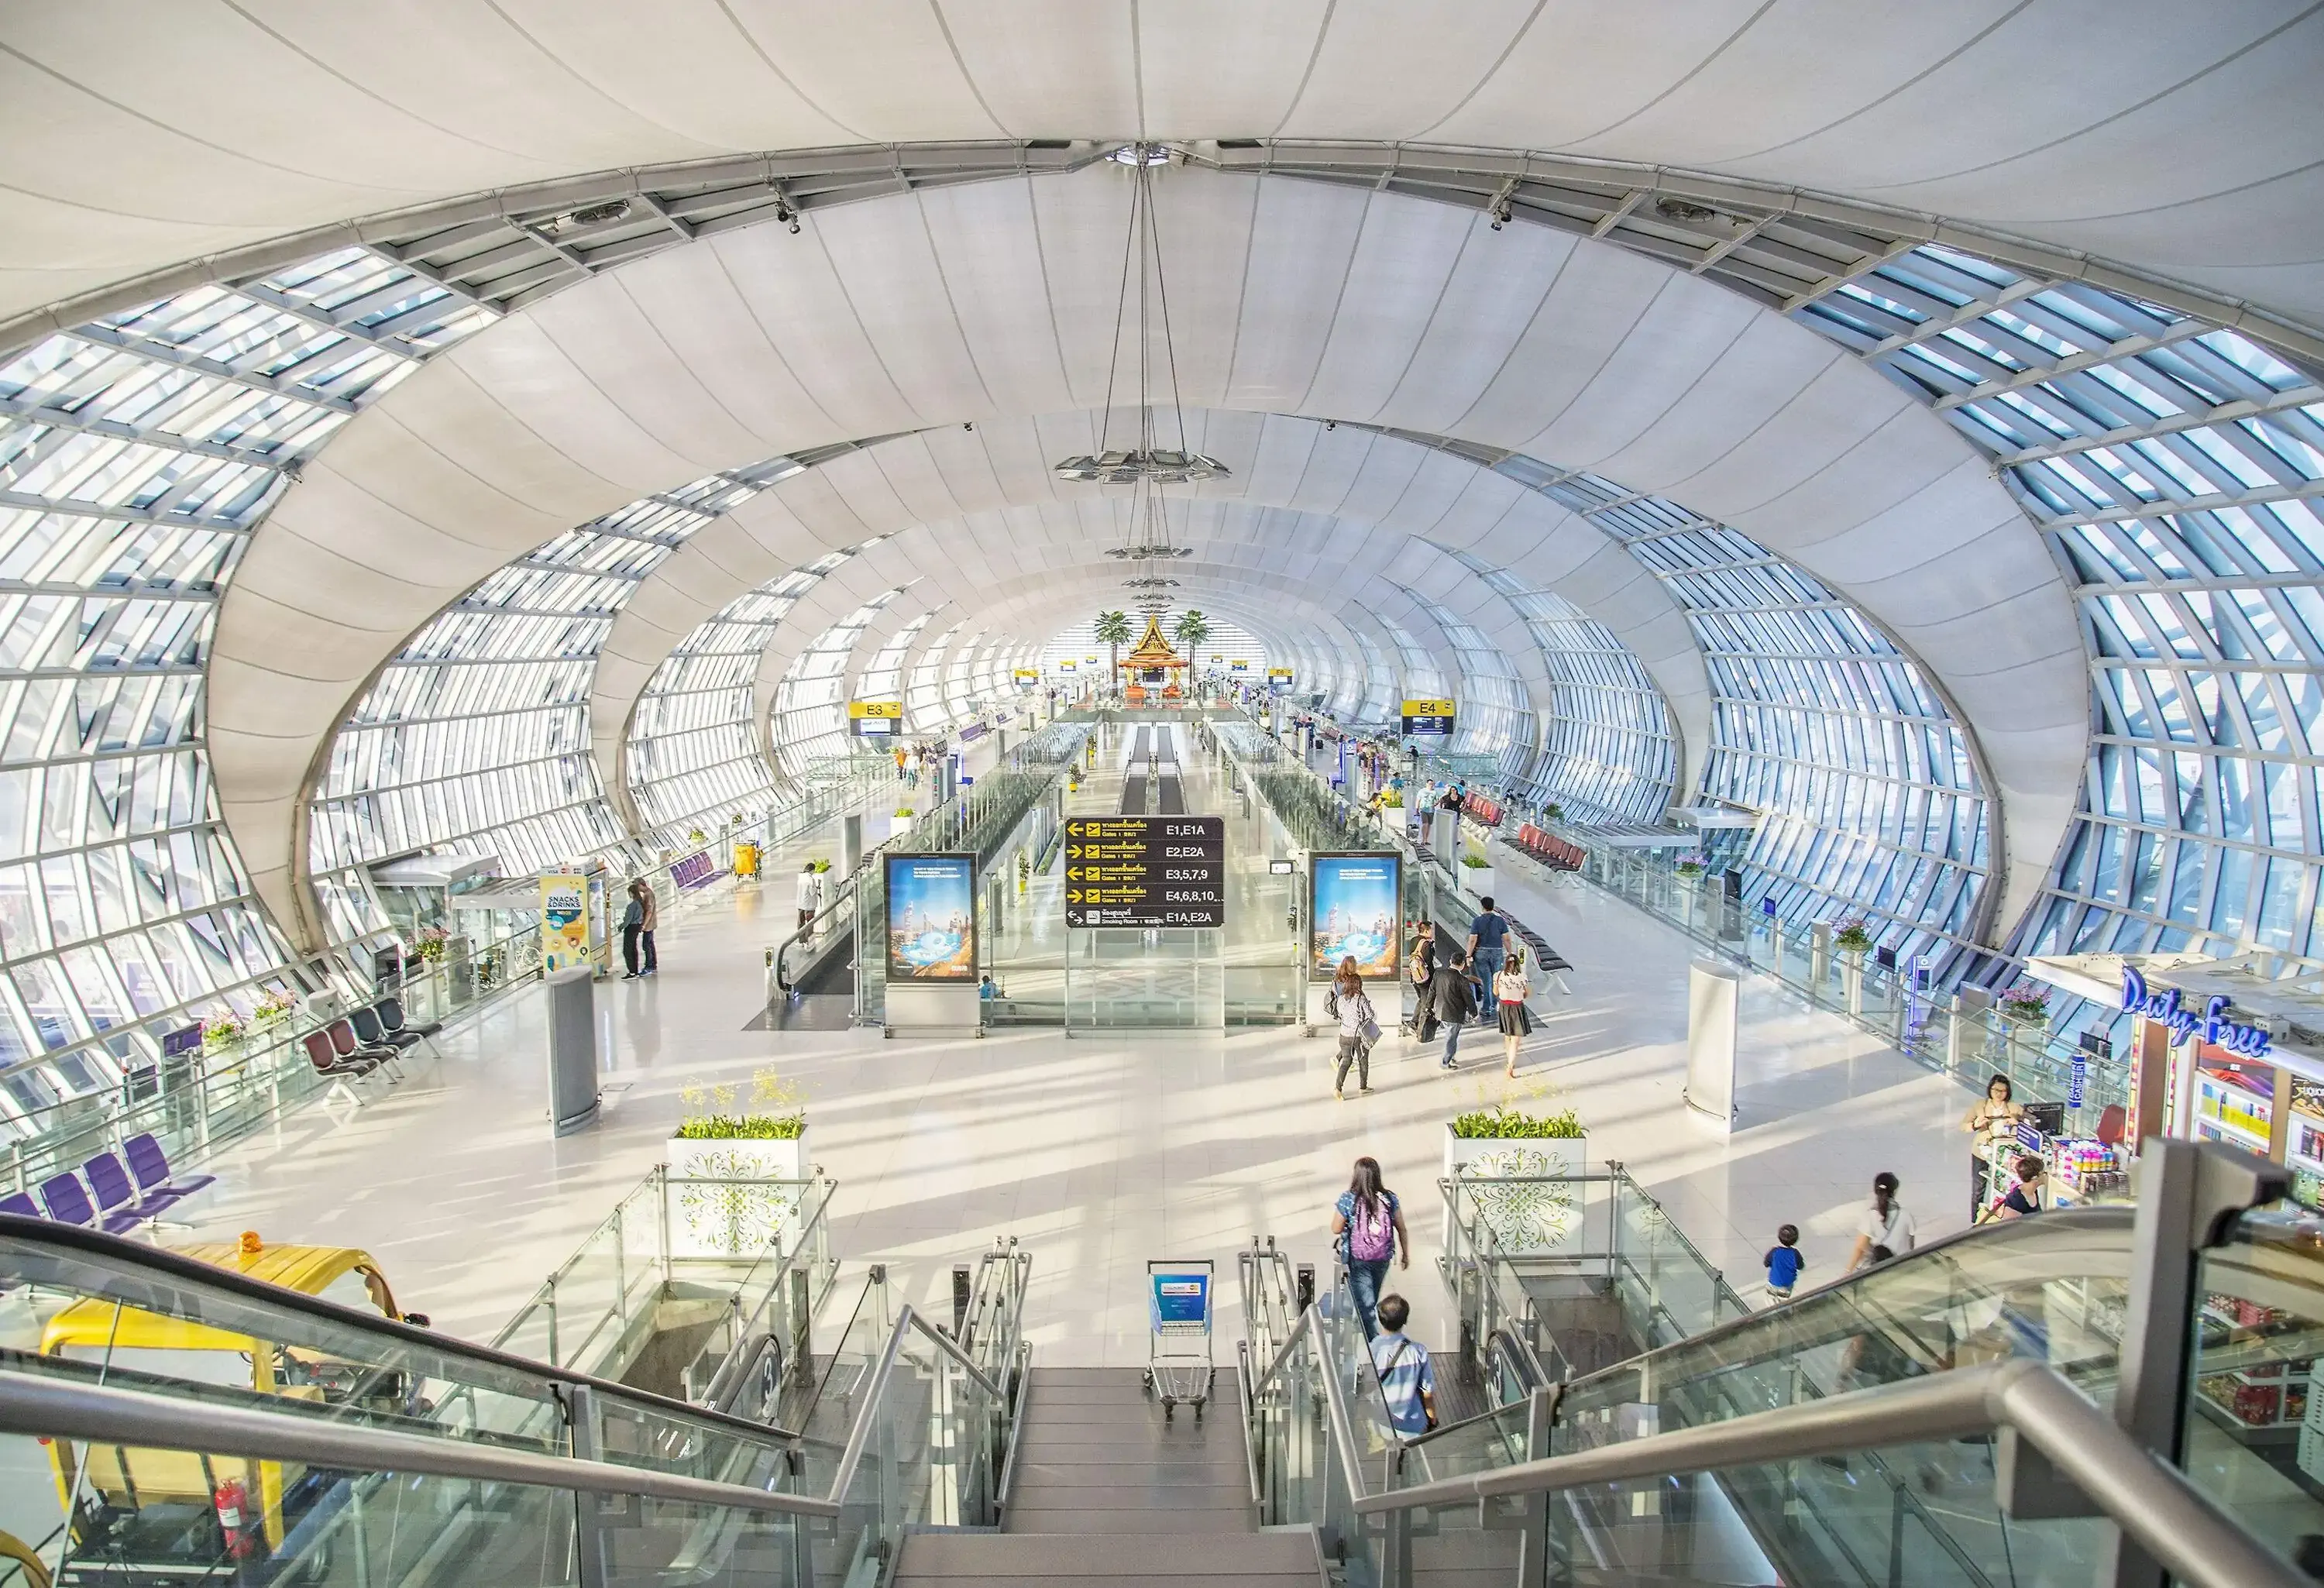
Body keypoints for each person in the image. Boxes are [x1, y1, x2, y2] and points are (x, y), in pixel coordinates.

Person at [1332, 1157, 1411, 1339]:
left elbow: (1335, 1228)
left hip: (1358, 1258)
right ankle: (1363, 1333)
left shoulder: (1348, 1198)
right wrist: (1406, 1254)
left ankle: (1374, 1345)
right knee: (1370, 1297)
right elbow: (1401, 1228)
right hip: (1382, 1257)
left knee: (1365, 1306)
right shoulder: (1389, 1198)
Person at [1368, 1294, 1438, 1437]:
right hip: (1412, 1424)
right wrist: (1432, 1419)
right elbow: (1427, 1392)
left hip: (1381, 1423)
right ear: (1405, 1320)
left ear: (1380, 1320)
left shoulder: (1371, 1349)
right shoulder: (1418, 1351)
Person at [1961, 1074, 2025, 1218]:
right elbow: (1963, 1126)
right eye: (1996, 1090)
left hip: (2005, 1153)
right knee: (1979, 1187)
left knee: (2005, 1186)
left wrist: (2017, 1123)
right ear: (1990, 1089)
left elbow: (2029, 1126)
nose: (1999, 1094)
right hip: (1982, 1151)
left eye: (2003, 1091)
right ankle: (1976, 1218)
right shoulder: (1980, 1106)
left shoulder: (2014, 1108)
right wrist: (1975, 1125)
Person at [1325, 958, 1377, 1099]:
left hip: (1344, 1036)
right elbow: (1371, 1015)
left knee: (1346, 1062)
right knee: (1363, 1061)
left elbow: (1341, 1014)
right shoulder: (1360, 998)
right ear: (1358, 984)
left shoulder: (1341, 998)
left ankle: (1338, 1088)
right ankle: (1363, 1087)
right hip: (1358, 1036)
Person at [1846, 1172, 1916, 1272]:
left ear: (1875, 1191)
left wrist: (1848, 1271)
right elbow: (1910, 1247)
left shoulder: (1870, 1215)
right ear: (1895, 1191)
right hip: (1901, 1271)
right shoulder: (1906, 1215)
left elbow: (1860, 1248)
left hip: (1876, 1273)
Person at [1429, 949, 1474, 1071]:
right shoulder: (1462, 980)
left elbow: (1432, 992)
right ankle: (1445, 1061)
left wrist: (1428, 1007)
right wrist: (1474, 1013)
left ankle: (1451, 1056)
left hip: (1440, 1011)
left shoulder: (1439, 974)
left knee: (1451, 1035)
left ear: (1450, 961)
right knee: (1451, 1037)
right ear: (1463, 965)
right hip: (1454, 1014)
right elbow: (1469, 998)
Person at [1493, 950, 1530, 1078]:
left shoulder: (1498, 975)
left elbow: (1495, 993)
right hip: (1517, 1007)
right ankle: (1510, 1065)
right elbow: (1527, 993)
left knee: (1507, 1035)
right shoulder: (1522, 976)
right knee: (1516, 1040)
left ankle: (1509, 1058)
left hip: (1504, 1007)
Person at [1466, 896, 1510, 991]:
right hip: (1497, 952)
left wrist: (1468, 956)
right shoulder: (1500, 920)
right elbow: (1506, 939)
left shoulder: (1477, 921)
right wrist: (1510, 952)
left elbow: (1472, 940)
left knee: (1484, 980)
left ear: (1482, 907)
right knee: (1496, 979)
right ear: (1493, 907)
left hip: (1481, 953)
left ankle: (1486, 1002)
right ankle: (1494, 1003)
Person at [1985, 1155, 2045, 1222]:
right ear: (2035, 1177)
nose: (2046, 1176)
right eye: (2044, 1173)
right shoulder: (2015, 1201)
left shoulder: (2033, 1192)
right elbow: (2010, 1228)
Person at [1765, 1224, 1804, 1301]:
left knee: (1770, 1299)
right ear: (1795, 1240)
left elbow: (1766, 1263)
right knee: (1783, 1300)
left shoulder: (1774, 1251)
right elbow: (1800, 1266)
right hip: (1787, 1284)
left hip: (1773, 1281)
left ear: (1779, 1237)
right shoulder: (1795, 1253)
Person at [619, 882, 648, 978]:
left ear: (631, 893)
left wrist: (621, 926)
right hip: (637, 927)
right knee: (633, 949)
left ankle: (632, 971)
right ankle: (635, 970)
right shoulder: (640, 903)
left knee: (627, 950)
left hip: (631, 928)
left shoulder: (633, 906)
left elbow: (628, 919)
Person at [636, 878, 659, 977]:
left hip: (648, 925)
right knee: (650, 943)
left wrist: (644, 924)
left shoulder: (648, 895)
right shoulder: (649, 893)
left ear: (642, 885)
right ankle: (653, 964)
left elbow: (649, 911)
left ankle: (649, 966)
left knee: (647, 945)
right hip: (652, 923)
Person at [796, 861, 820, 932]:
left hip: (800, 904)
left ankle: (801, 940)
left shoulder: (801, 877)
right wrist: (816, 888)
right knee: (810, 923)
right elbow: (812, 892)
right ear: (812, 870)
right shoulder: (811, 879)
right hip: (809, 905)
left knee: (801, 923)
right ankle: (810, 939)